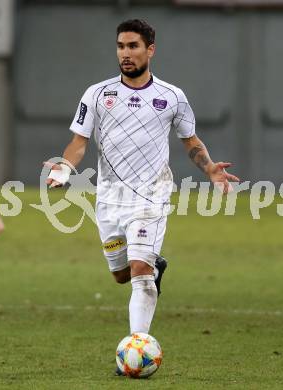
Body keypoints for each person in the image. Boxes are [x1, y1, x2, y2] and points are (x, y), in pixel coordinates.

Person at [45, 19, 239, 369]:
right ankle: (153, 266)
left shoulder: (171, 96)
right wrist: (64, 168)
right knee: (120, 274)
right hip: (108, 202)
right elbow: (78, 143)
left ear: (150, 49)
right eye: (121, 46)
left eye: (133, 46)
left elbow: (190, 141)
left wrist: (209, 168)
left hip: (151, 198)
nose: (126, 53)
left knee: (140, 273)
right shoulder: (98, 94)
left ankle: (136, 350)